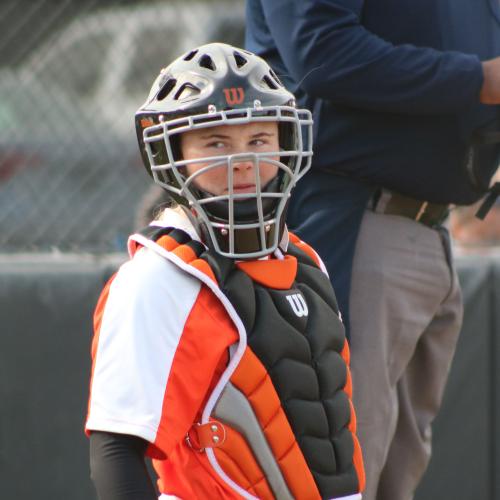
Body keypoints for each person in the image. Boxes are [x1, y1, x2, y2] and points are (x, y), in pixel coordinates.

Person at [85, 43, 365, 500]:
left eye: (258, 140)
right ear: (171, 151)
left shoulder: (305, 262)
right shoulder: (159, 277)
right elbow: (117, 449)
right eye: (216, 142)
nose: (243, 162)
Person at [245, 2, 500, 499]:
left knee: (386, 478)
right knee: (336, 471)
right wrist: (477, 79)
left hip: (427, 226)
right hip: (346, 218)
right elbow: (320, 49)